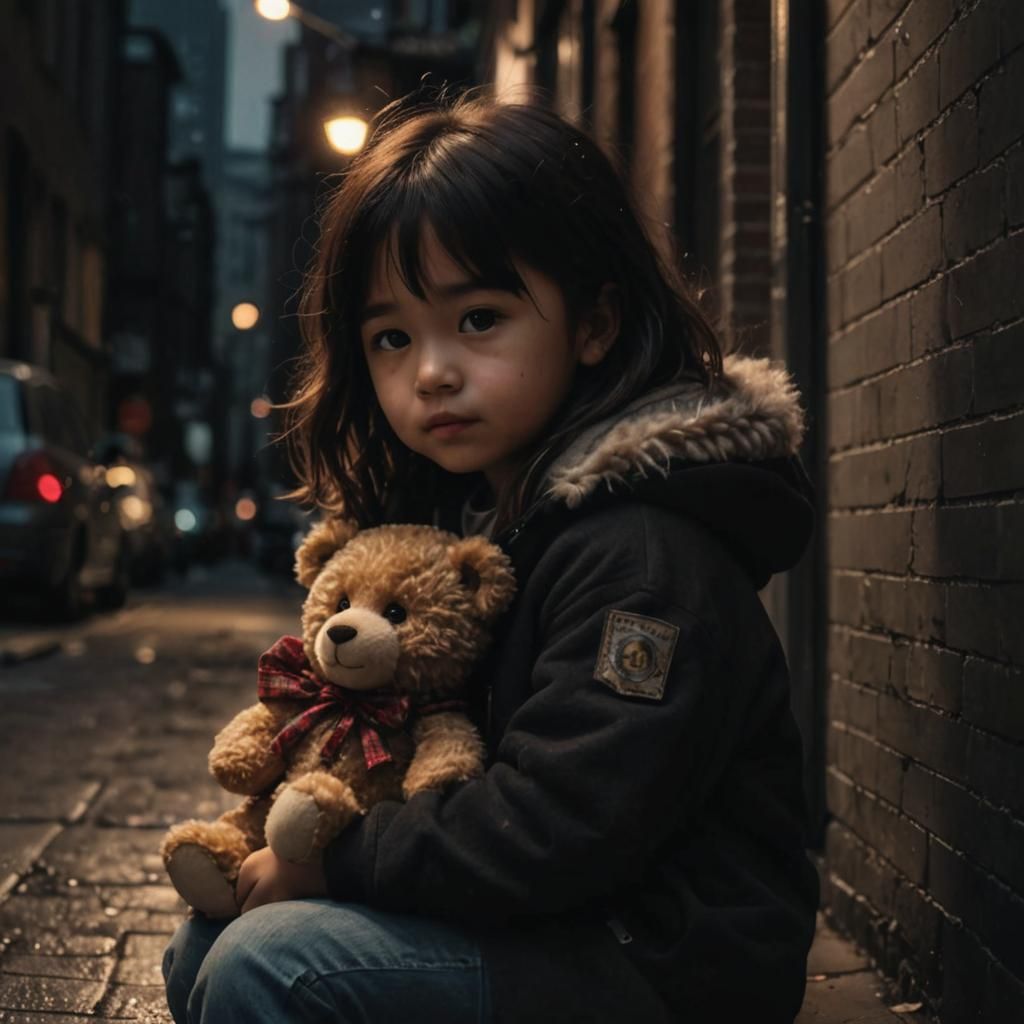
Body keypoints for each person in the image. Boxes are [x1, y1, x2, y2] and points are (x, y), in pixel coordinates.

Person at [163, 84, 819, 1024]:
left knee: (275, 967)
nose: (432, 369)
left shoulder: (641, 555)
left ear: (593, 322)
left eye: (478, 320)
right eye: (393, 337)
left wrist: (332, 857)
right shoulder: (478, 522)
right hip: (551, 924)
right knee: (208, 943)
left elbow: (560, 828)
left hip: (657, 962)